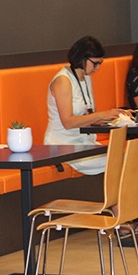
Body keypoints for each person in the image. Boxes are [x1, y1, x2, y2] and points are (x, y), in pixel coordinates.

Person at [44, 36, 130, 175]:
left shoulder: (86, 78)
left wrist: (115, 116)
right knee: (118, 159)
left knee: (126, 155)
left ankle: (118, 190)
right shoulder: (63, 81)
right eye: (95, 63)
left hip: (85, 142)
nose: (98, 68)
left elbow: (89, 117)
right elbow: (68, 122)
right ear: (81, 58)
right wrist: (101, 115)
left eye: (100, 63)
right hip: (63, 144)